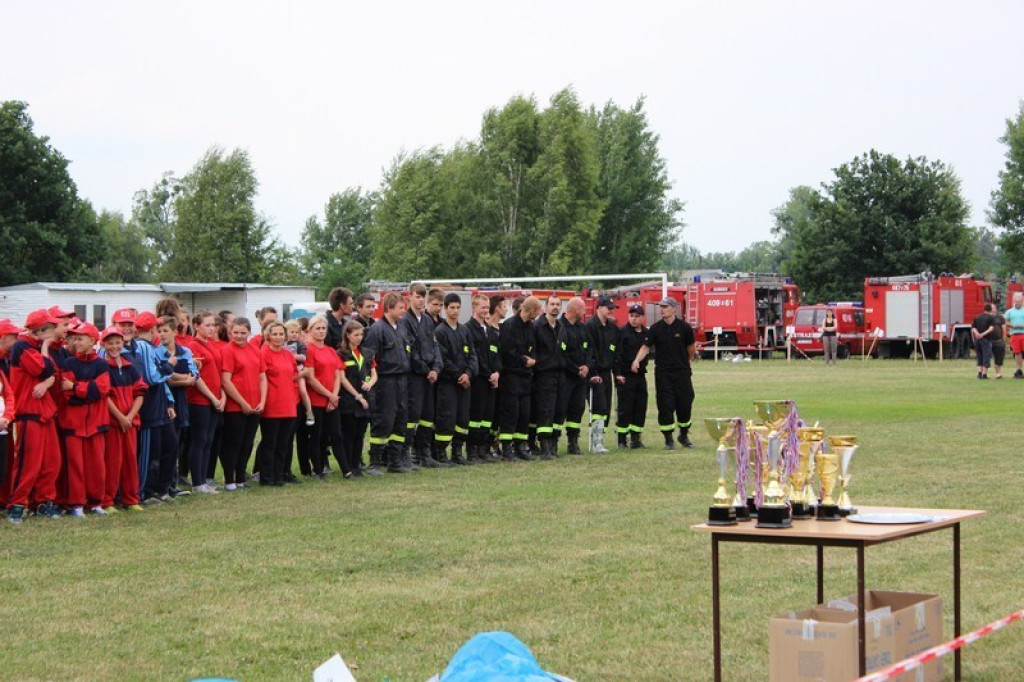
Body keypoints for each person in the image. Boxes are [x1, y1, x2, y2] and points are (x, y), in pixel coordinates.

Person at [7, 310, 63, 522]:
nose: (54, 332)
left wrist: (48, 380)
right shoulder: (22, 345)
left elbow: (54, 375)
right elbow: (44, 368)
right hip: (28, 412)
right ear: (40, 331)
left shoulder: (35, 346)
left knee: (51, 461)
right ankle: (17, 505)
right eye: (50, 328)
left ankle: (43, 503)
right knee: (27, 463)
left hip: (44, 411)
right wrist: (46, 348)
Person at [59, 322, 111, 517]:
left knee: (97, 465)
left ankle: (96, 502)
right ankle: (77, 504)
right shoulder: (69, 363)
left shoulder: (101, 364)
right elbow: (66, 395)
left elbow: (101, 391)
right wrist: (84, 390)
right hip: (73, 423)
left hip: (96, 423)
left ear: (92, 340)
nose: (76, 342)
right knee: (76, 466)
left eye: (80, 338)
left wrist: (76, 387)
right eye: (74, 338)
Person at [632, 298, 696, 449]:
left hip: (682, 373)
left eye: (665, 307)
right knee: (665, 405)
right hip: (663, 374)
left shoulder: (685, 328)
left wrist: (687, 362)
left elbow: (691, 348)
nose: (662, 310)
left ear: (674, 309)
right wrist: (636, 360)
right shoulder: (655, 328)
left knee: (685, 403)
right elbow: (645, 347)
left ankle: (684, 435)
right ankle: (668, 440)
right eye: (661, 307)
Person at [362, 293, 413, 474]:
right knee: (384, 419)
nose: (403, 311)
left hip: (402, 381)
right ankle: (375, 462)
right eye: (400, 307)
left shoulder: (401, 328)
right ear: (389, 308)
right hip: (385, 382)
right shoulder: (377, 330)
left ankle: (395, 461)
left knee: (400, 419)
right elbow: (368, 359)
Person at [134, 312, 180, 503]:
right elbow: (152, 378)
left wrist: (169, 401)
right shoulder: (143, 347)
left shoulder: (152, 347)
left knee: (171, 445)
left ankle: (163, 488)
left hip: (161, 405)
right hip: (150, 408)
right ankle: (146, 491)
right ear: (152, 329)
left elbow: (160, 383)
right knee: (150, 452)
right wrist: (169, 367)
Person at [101, 326, 147, 511]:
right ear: (103, 344)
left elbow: (141, 392)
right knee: (112, 462)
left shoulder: (130, 366)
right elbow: (104, 396)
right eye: (110, 343)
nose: (114, 347)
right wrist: (120, 417)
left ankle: (131, 499)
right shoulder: (101, 366)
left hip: (130, 423)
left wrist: (129, 416)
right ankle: (107, 500)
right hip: (113, 423)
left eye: (117, 343)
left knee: (130, 462)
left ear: (123, 343)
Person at [220, 317, 266, 490]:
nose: (239, 336)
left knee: (248, 443)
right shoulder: (228, 350)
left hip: (255, 405)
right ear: (230, 332)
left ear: (249, 332)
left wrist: (262, 400)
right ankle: (230, 479)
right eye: (235, 333)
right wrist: (242, 403)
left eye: (243, 333)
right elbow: (226, 381)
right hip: (235, 406)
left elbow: (262, 377)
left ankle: (241, 477)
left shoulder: (255, 350)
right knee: (234, 443)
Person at [400, 283, 443, 469]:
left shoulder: (426, 320)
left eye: (422, 297)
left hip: (430, 376)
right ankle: (405, 453)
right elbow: (410, 350)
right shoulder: (405, 321)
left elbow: (434, 346)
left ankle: (423, 453)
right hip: (415, 375)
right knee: (412, 416)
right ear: (409, 297)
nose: (420, 300)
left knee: (428, 415)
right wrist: (426, 370)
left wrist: (436, 368)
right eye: (417, 296)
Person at [433, 293, 478, 465]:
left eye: (458, 307)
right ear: (445, 309)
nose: (455, 311)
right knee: (447, 417)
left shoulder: (464, 330)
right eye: (452, 307)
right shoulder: (440, 332)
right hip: (448, 383)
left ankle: (457, 451)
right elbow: (443, 358)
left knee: (463, 418)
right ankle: (441, 451)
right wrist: (459, 375)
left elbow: (472, 355)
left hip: (465, 383)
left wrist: (468, 373)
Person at [184, 311, 225, 494]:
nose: (211, 328)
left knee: (208, 439)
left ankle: (204, 479)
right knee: (199, 439)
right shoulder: (193, 346)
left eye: (213, 325)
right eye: (207, 325)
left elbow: (217, 373)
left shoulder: (211, 345)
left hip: (214, 399)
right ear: (197, 326)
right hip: (199, 399)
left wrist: (221, 396)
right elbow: (197, 376)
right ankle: (197, 482)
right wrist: (213, 397)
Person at [498, 296, 540, 461]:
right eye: (537, 311)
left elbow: (533, 348)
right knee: (511, 412)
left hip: (526, 377)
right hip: (511, 376)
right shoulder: (509, 326)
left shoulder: (530, 326)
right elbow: (507, 352)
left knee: (524, 412)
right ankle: (507, 448)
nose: (537, 314)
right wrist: (524, 360)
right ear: (531, 310)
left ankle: (520, 446)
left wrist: (533, 359)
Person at [259, 321, 299, 486]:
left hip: (288, 403)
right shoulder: (264, 353)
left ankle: (279, 475)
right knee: (270, 443)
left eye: (281, 334)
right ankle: (267, 477)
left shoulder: (288, 355)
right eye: (274, 334)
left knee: (283, 443)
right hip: (272, 403)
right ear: (268, 335)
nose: (278, 337)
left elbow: (295, 376)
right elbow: (261, 379)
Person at [338, 320, 376, 477]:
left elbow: (374, 373)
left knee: (360, 434)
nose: (359, 338)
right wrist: (357, 395)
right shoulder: (341, 353)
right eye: (356, 335)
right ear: (347, 335)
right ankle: (348, 467)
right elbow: (342, 378)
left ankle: (357, 465)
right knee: (350, 434)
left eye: (361, 334)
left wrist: (370, 384)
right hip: (349, 399)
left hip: (366, 398)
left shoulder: (367, 352)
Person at [584, 296, 620, 453]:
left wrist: (617, 373)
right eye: (608, 307)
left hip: (607, 373)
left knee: (606, 407)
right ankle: (595, 441)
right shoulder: (590, 326)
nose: (611, 310)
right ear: (599, 308)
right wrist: (592, 372)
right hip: (594, 373)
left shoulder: (613, 328)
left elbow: (616, 352)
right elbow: (589, 351)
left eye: (612, 308)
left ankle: (600, 438)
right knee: (598, 405)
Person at [530, 295, 564, 460]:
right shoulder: (538, 326)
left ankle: (552, 443)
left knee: (556, 410)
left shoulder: (560, 327)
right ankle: (544, 446)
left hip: (558, 375)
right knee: (545, 410)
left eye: (558, 304)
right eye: (552, 304)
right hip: (543, 375)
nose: (555, 307)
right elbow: (534, 350)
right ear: (545, 306)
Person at [467, 294, 500, 464]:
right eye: (482, 307)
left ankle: (483, 450)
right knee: (475, 418)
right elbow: (476, 357)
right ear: (474, 308)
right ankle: (472, 451)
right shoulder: (469, 329)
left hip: (491, 381)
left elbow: (496, 355)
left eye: (487, 307)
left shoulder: (490, 331)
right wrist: (488, 374)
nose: (485, 310)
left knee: (488, 417)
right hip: (479, 380)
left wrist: (497, 373)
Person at [558, 297, 590, 456]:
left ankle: (573, 442)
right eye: (583, 309)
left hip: (580, 378)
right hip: (565, 377)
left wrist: (586, 366)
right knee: (561, 409)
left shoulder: (582, 328)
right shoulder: (560, 327)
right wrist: (575, 369)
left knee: (577, 409)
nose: (584, 313)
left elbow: (589, 349)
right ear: (576, 309)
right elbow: (561, 354)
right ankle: (552, 442)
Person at [615, 304, 649, 450]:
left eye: (637, 316)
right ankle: (622, 440)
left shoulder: (646, 333)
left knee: (640, 407)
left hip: (640, 375)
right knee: (625, 408)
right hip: (625, 376)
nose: (634, 319)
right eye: (631, 316)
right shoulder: (622, 332)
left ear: (642, 317)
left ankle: (636, 439)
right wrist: (618, 374)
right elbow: (616, 355)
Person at [971, 304, 996, 379]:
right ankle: (984, 374)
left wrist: (977, 334)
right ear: (991, 310)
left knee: (979, 356)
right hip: (986, 339)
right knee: (986, 356)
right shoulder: (991, 318)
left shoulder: (977, 317)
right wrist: (983, 334)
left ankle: (979, 373)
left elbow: (973, 328)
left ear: (984, 309)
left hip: (977, 339)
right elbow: (991, 328)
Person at [1006, 292, 1024, 379]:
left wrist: (1021, 325)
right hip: (1014, 335)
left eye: (1019, 301)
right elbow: (1005, 321)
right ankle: (1019, 369)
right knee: (1017, 352)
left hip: (1023, 334)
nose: (1018, 303)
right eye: (1016, 301)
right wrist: (1011, 325)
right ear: (1013, 301)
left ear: (1022, 301)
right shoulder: (1009, 311)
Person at [991, 304, 1007, 379]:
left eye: (994, 308)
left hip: (998, 341)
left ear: (996, 309)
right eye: (991, 308)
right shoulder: (987, 317)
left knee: (999, 358)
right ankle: (983, 373)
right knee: (985, 357)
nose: (992, 309)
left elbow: (1004, 329)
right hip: (988, 341)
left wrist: (1003, 340)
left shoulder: (1000, 317)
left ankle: (998, 373)